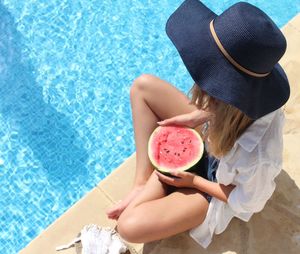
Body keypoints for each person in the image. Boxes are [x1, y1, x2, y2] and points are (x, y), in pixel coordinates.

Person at [106, 0, 290, 248]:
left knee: (129, 227)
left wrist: (193, 182)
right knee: (143, 86)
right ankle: (141, 183)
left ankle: (162, 184)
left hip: (215, 186)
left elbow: (247, 202)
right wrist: (199, 117)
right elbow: (229, 111)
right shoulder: (245, 95)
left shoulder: (257, 156)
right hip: (213, 135)